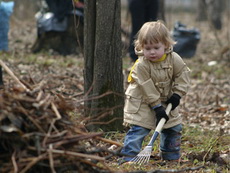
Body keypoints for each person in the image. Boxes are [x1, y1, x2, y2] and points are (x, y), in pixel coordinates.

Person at [119, 20, 191, 164]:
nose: (152, 52)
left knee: (173, 128)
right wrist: (156, 107)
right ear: (141, 47)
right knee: (139, 129)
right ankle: (128, 157)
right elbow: (147, 87)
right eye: (147, 48)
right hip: (142, 102)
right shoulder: (141, 65)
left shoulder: (174, 59)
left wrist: (177, 94)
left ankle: (171, 156)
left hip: (167, 100)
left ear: (166, 44)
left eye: (156, 47)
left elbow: (183, 75)